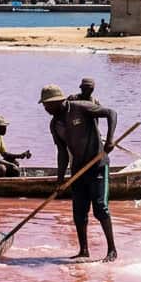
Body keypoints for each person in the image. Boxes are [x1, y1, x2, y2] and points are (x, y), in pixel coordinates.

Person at [40, 84, 119, 262]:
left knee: (101, 208)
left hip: (97, 165)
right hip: (78, 170)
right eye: (44, 105)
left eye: (47, 105)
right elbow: (61, 153)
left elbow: (111, 113)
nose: (45, 108)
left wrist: (110, 140)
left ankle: (112, 250)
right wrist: (60, 180)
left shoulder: (80, 108)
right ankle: (84, 250)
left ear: (57, 102)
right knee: (79, 212)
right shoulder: (55, 124)